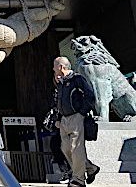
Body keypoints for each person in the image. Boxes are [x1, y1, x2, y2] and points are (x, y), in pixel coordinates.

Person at [53, 57, 100, 187]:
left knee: (76, 148)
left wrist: (82, 113)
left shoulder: (77, 79)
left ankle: (78, 180)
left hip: (76, 117)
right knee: (66, 148)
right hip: (64, 119)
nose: (53, 69)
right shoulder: (60, 82)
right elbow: (58, 102)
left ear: (61, 67)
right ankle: (90, 168)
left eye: (54, 66)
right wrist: (58, 119)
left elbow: (90, 95)